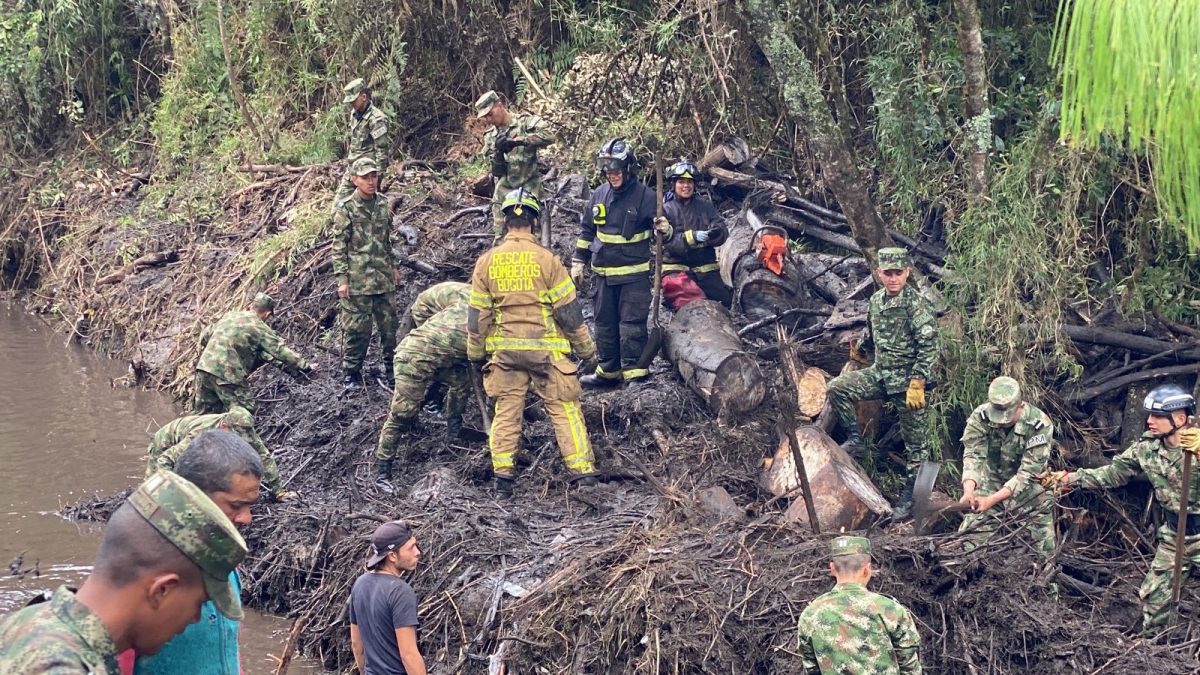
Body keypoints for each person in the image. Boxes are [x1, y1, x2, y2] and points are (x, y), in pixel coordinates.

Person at [0, 470, 248, 674]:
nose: (195, 618)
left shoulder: (27, 621)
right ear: (161, 590)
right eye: (199, 603)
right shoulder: (61, 668)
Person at [469, 189, 599, 497]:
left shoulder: (486, 263)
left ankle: (503, 481)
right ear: (535, 221)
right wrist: (588, 352)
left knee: (506, 413)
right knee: (565, 410)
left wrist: (475, 353)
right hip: (546, 353)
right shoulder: (549, 261)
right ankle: (584, 477)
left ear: (504, 223)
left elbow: (478, 317)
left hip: (506, 355)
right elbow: (569, 315)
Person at [1041, 383, 1200, 634]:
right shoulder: (1147, 449)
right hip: (1174, 537)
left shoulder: (1197, 447)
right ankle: (1157, 654)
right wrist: (1069, 479)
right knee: (1154, 601)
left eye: (1158, 416)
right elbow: (1113, 474)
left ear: (1180, 418)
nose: (1150, 421)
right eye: (1149, 415)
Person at [127, 430, 265, 675]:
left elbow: (228, 649)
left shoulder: (226, 568)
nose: (247, 518)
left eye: (249, 506)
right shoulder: (141, 573)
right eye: (235, 506)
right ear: (192, 497)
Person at [825, 247, 937, 520]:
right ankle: (856, 439)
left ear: (907, 273)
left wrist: (918, 381)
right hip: (881, 374)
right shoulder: (876, 301)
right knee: (837, 388)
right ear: (879, 273)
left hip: (908, 384)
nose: (894, 278)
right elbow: (872, 333)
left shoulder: (916, 304)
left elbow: (930, 345)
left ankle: (911, 500)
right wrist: (861, 348)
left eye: (899, 273)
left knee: (917, 447)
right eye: (888, 273)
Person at [572, 138, 668, 387]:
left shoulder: (647, 197)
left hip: (633, 278)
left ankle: (635, 374)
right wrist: (578, 261)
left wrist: (665, 229)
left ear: (628, 168)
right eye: (607, 170)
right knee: (604, 324)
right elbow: (587, 231)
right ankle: (608, 372)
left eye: (616, 170)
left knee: (631, 326)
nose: (611, 175)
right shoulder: (599, 195)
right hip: (603, 275)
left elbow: (666, 233)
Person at [375, 281, 474, 493]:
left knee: (461, 380)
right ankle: (382, 472)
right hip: (411, 360)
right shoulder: (478, 335)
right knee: (401, 415)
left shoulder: (469, 304)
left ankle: (453, 431)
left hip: (436, 358)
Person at [957, 376, 1056, 558]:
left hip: (1030, 490)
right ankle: (962, 577)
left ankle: (1045, 583)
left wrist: (992, 500)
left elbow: (1027, 474)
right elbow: (973, 455)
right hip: (991, 481)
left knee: (1043, 549)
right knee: (968, 539)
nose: (1002, 422)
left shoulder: (1039, 425)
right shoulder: (981, 417)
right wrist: (969, 490)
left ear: (1020, 406)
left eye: (1007, 418)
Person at [796, 536, 922, 674]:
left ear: (832, 569)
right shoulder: (890, 610)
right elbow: (909, 667)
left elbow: (811, 668)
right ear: (867, 570)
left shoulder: (810, 614)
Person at [332, 156, 400, 388]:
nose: (371, 182)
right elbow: (339, 246)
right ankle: (351, 373)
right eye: (365, 177)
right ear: (354, 180)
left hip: (382, 278)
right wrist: (342, 280)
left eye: (374, 176)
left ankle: (392, 372)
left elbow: (386, 240)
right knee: (357, 330)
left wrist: (393, 267)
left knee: (389, 328)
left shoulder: (382, 203)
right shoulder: (346, 209)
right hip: (358, 280)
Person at [194, 293, 316, 415]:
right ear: (267, 314)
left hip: (203, 368)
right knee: (243, 414)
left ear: (250, 306)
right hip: (227, 372)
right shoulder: (258, 326)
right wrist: (305, 367)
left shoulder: (230, 316)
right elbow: (280, 351)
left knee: (203, 417)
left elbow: (204, 336)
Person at [145, 406, 293, 501]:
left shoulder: (245, 429)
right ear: (224, 427)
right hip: (165, 443)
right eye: (237, 436)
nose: (241, 440)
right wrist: (172, 492)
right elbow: (166, 459)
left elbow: (264, 457)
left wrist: (278, 491)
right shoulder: (201, 433)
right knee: (154, 489)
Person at [475, 90, 553, 242]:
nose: (488, 120)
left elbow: (549, 136)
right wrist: (498, 152)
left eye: (490, 114)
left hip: (530, 187)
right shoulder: (491, 136)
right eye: (485, 117)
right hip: (504, 192)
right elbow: (497, 172)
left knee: (533, 237)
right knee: (501, 239)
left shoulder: (524, 123)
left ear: (500, 105)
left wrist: (520, 141)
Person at [349, 521, 426, 675]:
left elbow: (357, 643)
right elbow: (408, 655)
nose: (418, 552)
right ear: (392, 555)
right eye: (411, 548)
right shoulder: (400, 592)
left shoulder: (359, 584)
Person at [660, 160, 731, 309]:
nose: (686, 186)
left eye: (689, 182)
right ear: (674, 184)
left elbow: (723, 230)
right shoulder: (665, 210)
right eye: (681, 182)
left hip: (705, 268)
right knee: (689, 302)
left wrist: (716, 233)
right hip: (676, 269)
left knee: (724, 302)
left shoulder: (705, 205)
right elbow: (670, 243)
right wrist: (692, 237)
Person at [334, 78, 391, 206]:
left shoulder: (377, 119)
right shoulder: (354, 114)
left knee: (368, 210)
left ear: (363, 97)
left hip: (367, 173)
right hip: (353, 170)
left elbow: (382, 151)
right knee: (338, 206)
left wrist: (378, 179)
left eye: (353, 100)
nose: (351, 104)